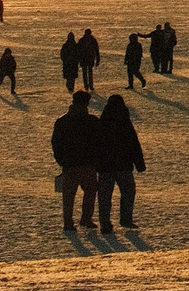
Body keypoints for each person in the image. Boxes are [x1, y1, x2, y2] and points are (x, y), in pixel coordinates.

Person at [95, 94, 145, 232]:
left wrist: (95, 164)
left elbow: (95, 145)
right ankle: (126, 219)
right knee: (128, 191)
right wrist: (139, 164)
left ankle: (105, 223)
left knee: (104, 196)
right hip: (123, 165)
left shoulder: (102, 122)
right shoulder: (125, 122)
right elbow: (134, 144)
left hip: (105, 167)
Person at [52, 91, 101, 230]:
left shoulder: (62, 121)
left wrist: (61, 160)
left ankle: (68, 223)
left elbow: (56, 143)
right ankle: (85, 219)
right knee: (90, 191)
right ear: (87, 103)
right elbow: (100, 142)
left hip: (70, 164)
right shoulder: (92, 121)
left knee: (69, 195)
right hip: (87, 164)